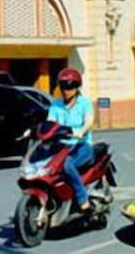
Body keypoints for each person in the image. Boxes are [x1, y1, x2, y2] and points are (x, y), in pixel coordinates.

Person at [46, 67, 95, 212]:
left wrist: (82, 131)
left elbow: (89, 121)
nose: (66, 90)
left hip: (82, 146)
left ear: (77, 87)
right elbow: (50, 123)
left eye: (70, 86)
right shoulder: (56, 105)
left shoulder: (84, 103)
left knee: (67, 165)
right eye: (63, 86)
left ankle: (82, 198)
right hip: (61, 147)